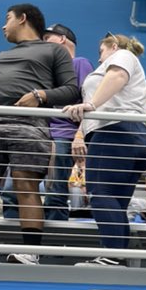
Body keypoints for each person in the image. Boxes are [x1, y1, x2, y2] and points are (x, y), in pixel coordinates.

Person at [0, 3, 80, 265]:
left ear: (23, 19)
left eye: (7, 19)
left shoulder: (54, 51)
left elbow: (72, 90)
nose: (4, 26)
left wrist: (41, 95)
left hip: (30, 127)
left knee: (26, 186)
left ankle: (30, 253)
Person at [64, 33, 146, 267]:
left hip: (115, 132)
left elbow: (117, 75)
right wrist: (80, 133)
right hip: (132, 134)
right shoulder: (128, 67)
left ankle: (112, 255)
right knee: (116, 201)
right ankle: (115, 256)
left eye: (101, 51)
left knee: (100, 192)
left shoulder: (123, 56)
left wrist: (91, 104)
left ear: (113, 46)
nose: (100, 57)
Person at [41, 23, 94, 222]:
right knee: (13, 191)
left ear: (62, 39)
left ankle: (52, 250)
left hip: (63, 135)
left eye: (47, 39)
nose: (43, 43)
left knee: (55, 193)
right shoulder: (45, 70)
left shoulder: (80, 63)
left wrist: (79, 135)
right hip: (38, 134)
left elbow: (90, 103)